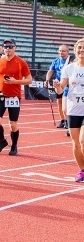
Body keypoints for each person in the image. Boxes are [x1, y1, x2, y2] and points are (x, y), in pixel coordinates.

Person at [0, 38, 32, 156]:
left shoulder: (21, 62)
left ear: (15, 48)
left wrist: (16, 81)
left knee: (13, 124)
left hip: (14, 97)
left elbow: (29, 80)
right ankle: (2, 141)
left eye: (10, 47)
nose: (7, 49)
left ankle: (14, 145)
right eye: (5, 47)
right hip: (0, 95)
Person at [54, 38, 84, 180]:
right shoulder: (69, 68)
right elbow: (61, 89)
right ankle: (82, 170)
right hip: (73, 110)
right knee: (76, 144)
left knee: (83, 141)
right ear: (75, 50)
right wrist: (57, 86)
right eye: (80, 48)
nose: (82, 50)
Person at [47, 45, 72, 129]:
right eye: (60, 51)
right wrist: (47, 80)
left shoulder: (71, 61)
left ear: (67, 52)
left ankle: (68, 121)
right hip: (58, 85)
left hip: (68, 85)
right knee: (59, 103)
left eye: (63, 51)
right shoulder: (56, 61)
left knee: (67, 104)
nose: (61, 52)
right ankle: (62, 120)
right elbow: (51, 71)